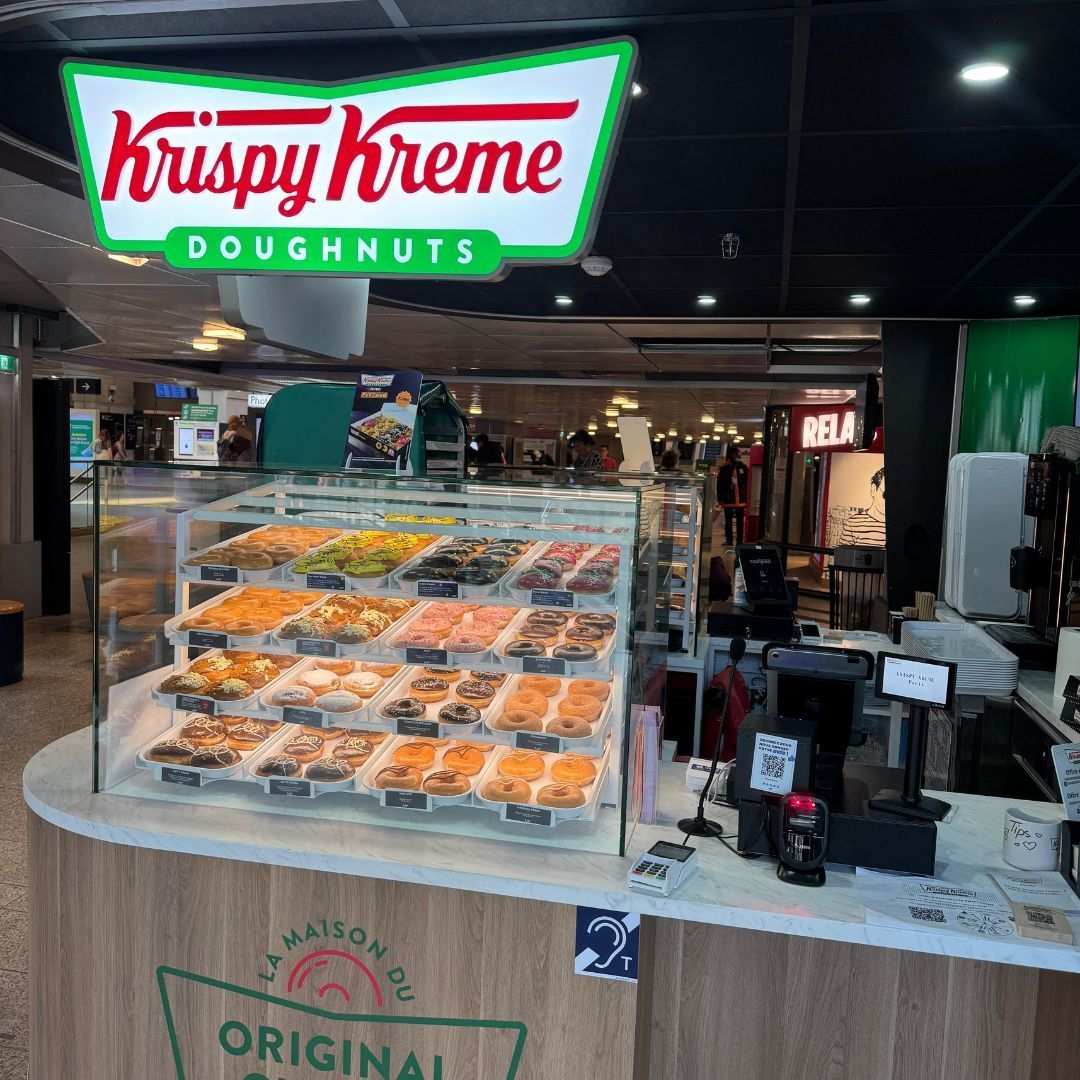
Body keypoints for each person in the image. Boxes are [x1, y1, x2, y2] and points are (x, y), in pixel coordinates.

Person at [838, 467, 886, 547]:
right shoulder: (852, 524)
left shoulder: (900, 524)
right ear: (873, 489)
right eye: (886, 494)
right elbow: (844, 557)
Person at [717, 446, 748, 547]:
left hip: (741, 499)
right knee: (728, 521)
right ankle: (729, 540)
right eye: (736, 453)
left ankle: (740, 541)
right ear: (731, 454)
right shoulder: (724, 468)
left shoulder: (743, 467)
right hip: (728, 499)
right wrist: (720, 499)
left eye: (739, 453)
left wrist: (747, 498)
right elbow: (720, 485)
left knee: (740, 522)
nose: (739, 455)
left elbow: (747, 483)